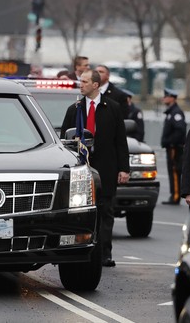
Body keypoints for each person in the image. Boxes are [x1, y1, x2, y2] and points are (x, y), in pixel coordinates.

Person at [60, 70, 129, 267]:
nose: (80, 84)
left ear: (96, 85)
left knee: (106, 210)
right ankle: (82, 250)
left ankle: (105, 253)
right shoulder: (75, 109)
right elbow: (64, 141)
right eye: (80, 81)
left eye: (84, 81)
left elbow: (120, 141)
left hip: (106, 168)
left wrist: (124, 169)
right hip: (82, 169)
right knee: (82, 211)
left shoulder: (113, 108)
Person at [161, 88, 186, 205]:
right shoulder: (171, 112)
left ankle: (176, 195)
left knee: (175, 170)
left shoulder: (176, 113)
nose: (164, 98)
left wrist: (171, 142)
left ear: (172, 98)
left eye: (166, 96)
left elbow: (180, 130)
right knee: (172, 170)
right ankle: (173, 194)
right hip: (171, 147)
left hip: (174, 148)